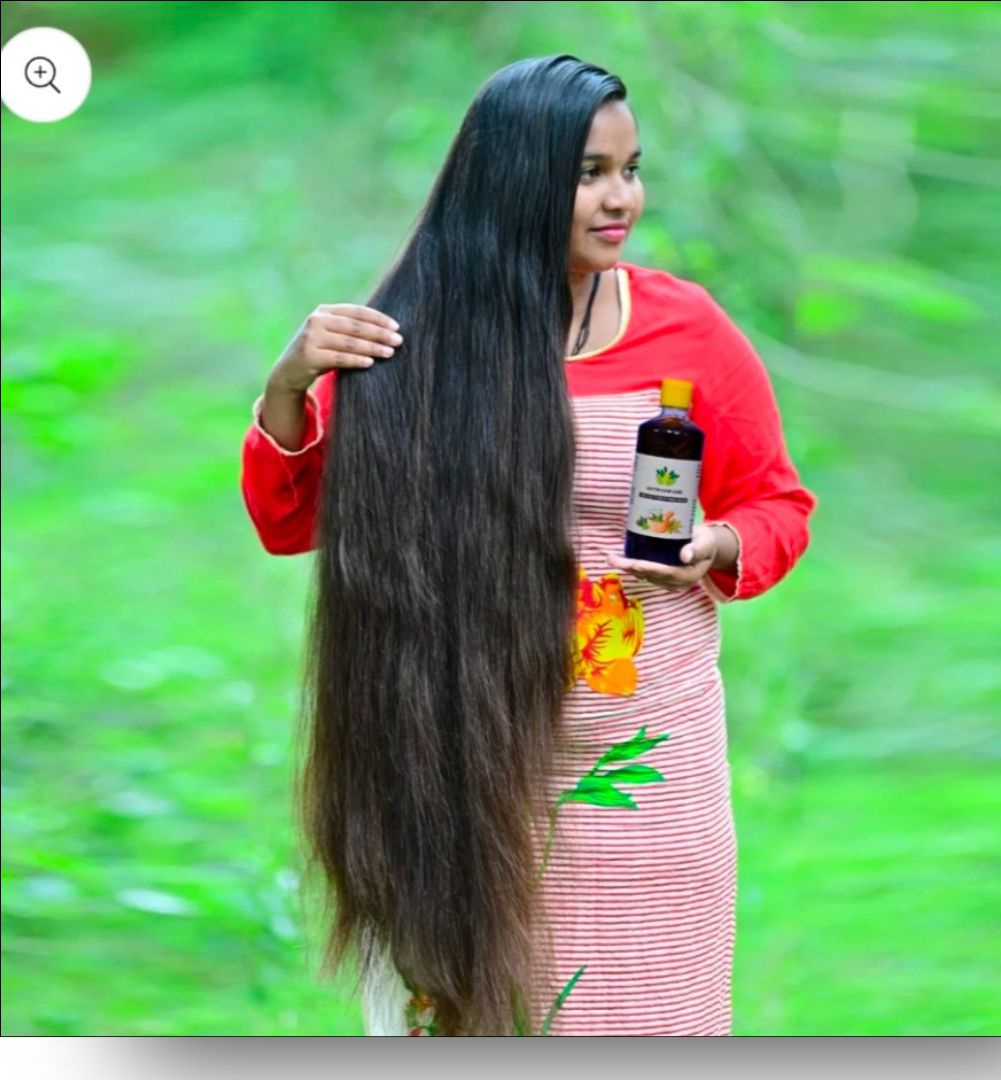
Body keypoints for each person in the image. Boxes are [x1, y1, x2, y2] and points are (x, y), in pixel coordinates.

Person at [240, 55, 814, 1037]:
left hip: (644, 757)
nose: (620, 197)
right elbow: (291, 522)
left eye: (632, 170)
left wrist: (717, 540)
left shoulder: (687, 332)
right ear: (515, 178)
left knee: (646, 1008)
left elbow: (778, 503)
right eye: (589, 173)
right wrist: (289, 386)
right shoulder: (411, 338)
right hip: (457, 755)